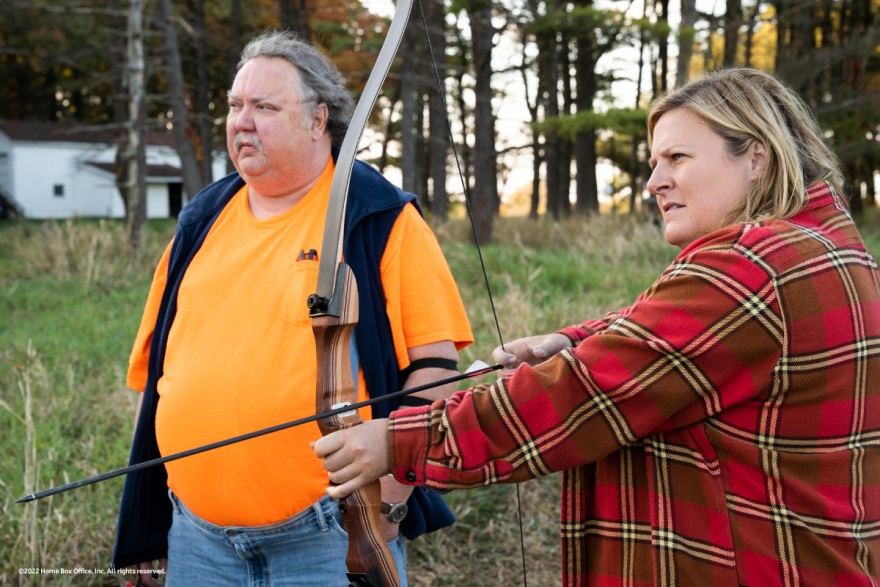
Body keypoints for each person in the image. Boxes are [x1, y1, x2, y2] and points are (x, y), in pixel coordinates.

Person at [314, 68, 880, 586]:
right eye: (654, 162)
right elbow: (666, 338)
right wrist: (572, 341)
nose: (655, 181)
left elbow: (585, 392)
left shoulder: (749, 268)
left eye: (677, 157)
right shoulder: (826, 247)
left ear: (755, 157)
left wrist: (399, 440)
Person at [111, 31, 474, 587]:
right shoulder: (199, 222)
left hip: (332, 537)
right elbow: (156, 380)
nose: (242, 121)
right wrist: (144, 522)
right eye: (235, 106)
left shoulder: (377, 217)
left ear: (316, 121)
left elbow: (437, 369)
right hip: (195, 539)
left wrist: (392, 497)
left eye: (264, 106)